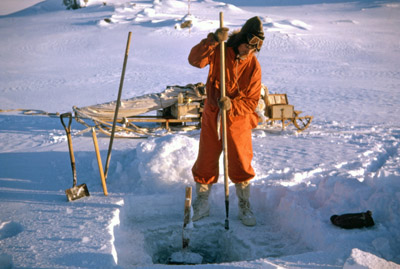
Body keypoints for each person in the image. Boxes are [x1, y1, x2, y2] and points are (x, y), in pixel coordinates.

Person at [188, 16, 264, 226]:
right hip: (213, 114)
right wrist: (212, 40)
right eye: (246, 46)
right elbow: (195, 60)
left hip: (238, 119)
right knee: (206, 158)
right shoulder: (220, 51)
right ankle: (202, 202)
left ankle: (243, 203)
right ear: (239, 39)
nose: (248, 51)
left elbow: (251, 102)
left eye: (253, 49)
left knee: (240, 159)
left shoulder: (253, 66)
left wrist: (232, 106)